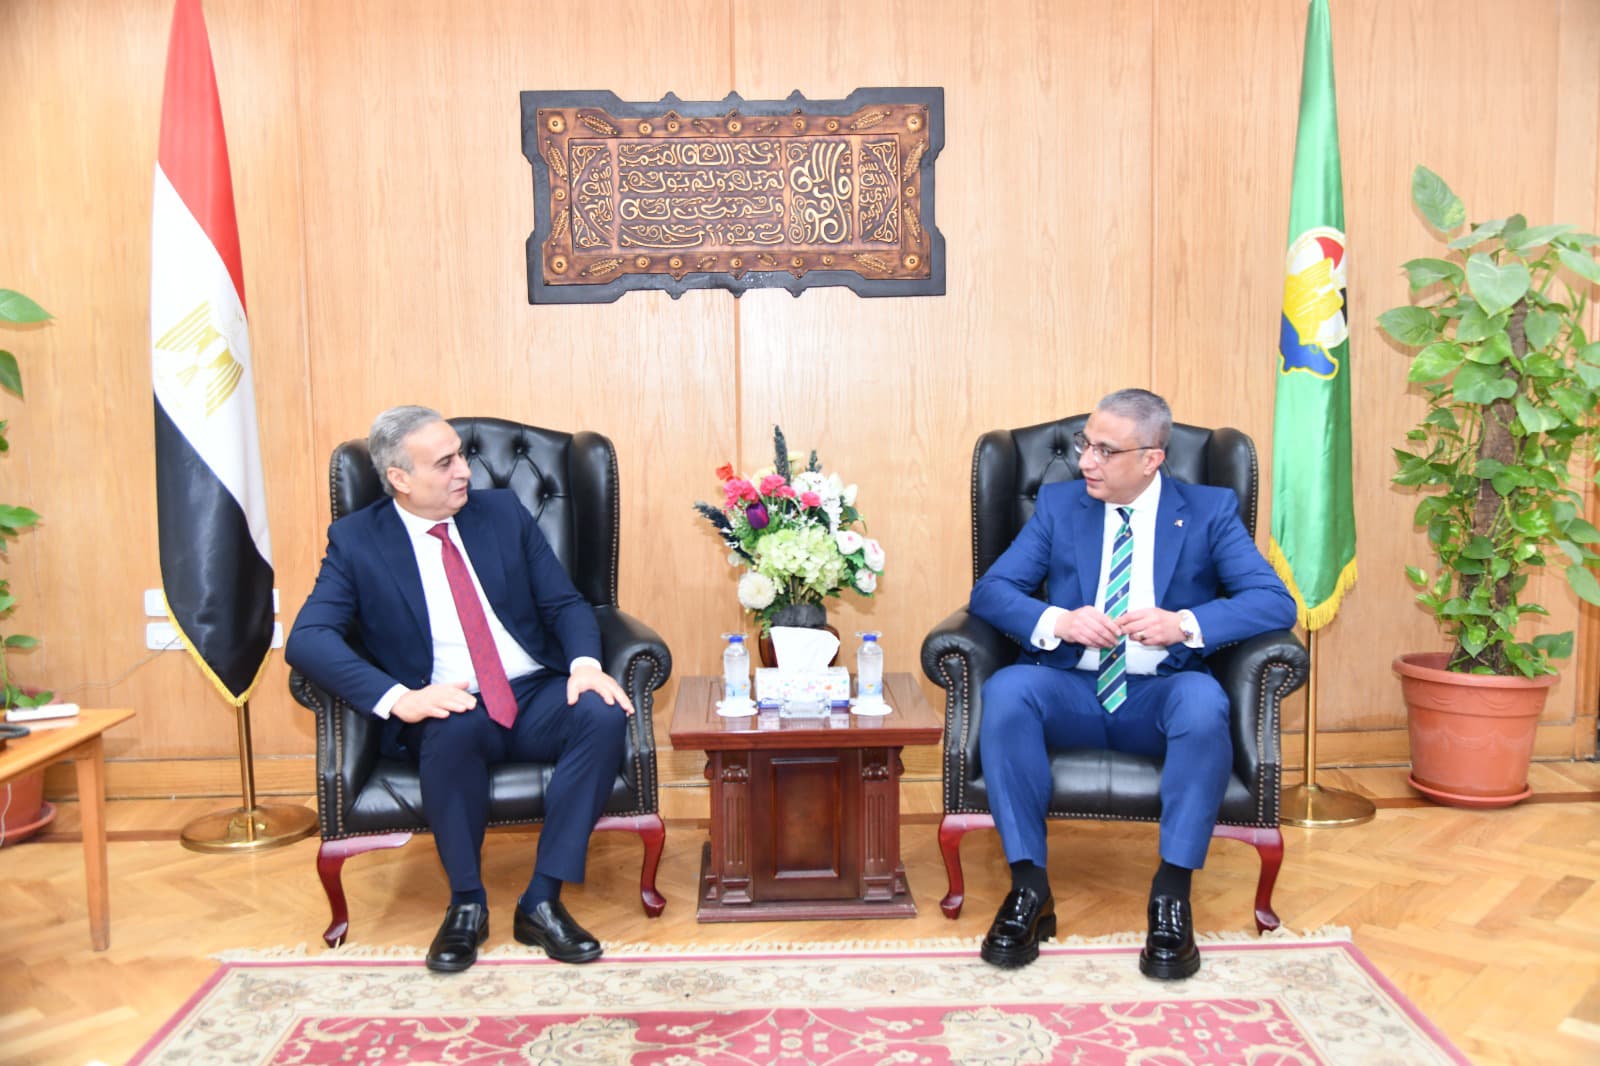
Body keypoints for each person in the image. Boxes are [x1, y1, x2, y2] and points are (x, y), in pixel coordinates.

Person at [286, 405, 634, 973]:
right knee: (449, 730)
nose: (465, 471)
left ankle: (542, 900)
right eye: (445, 462)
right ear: (399, 478)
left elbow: (565, 603)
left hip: (533, 690)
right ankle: (467, 904)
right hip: (447, 700)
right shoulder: (357, 541)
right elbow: (308, 639)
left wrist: (585, 666)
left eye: (461, 456)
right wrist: (400, 699)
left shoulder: (501, 513)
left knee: (601, 711)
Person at [968, 389, 1295, 978]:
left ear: (1152, 459)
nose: (1085, 460)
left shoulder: (1208, 511)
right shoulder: (1061, 506)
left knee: (1203, 702)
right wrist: (1059, 622)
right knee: (1009, 691)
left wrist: (1184, 624)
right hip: (1071, 689)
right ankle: (1029, 888)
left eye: (1105, 450)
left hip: (1159, 695)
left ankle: (1171, 896)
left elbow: (1274, 602)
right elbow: (991, 592)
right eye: (1084, 444)